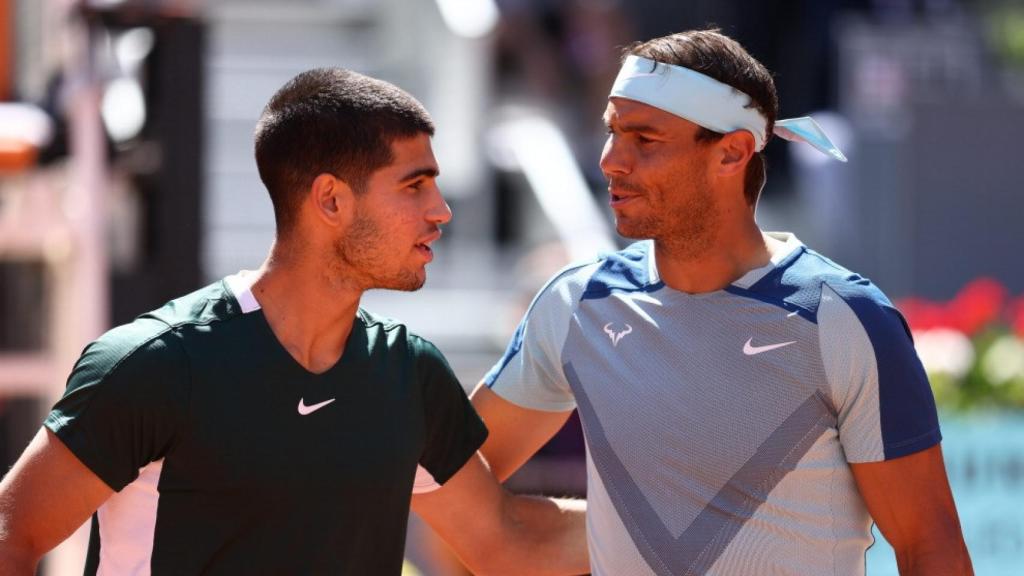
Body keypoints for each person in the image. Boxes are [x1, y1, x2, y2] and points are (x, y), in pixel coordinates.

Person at [0, 68, 587, 576]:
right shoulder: (155, 363)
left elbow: (506, 537)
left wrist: (675, 510)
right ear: (330, 200)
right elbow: (11, 536)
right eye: (415, 185)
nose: (441, 211)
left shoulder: (410, 374)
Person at [471, 29, 974, 576]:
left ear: (732, 152)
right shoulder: (574, 302)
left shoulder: (845, 317)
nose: (611, 161)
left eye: (645, 139)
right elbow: (454, 474)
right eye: (612, 132)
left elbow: (929, 546)